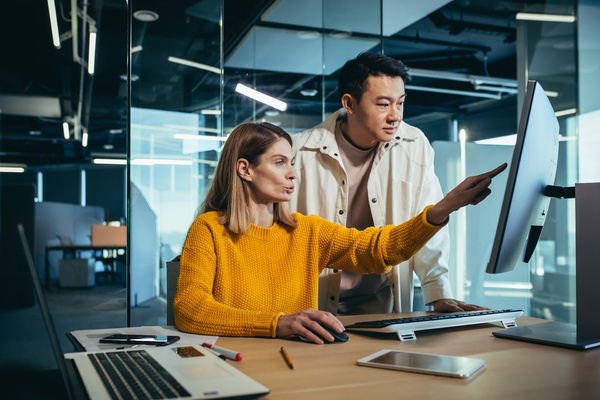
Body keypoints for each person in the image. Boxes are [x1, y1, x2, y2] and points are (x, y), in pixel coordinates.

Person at [173, 121, 506, 344]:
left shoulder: (306, 231)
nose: (292, 174)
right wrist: (277, 324)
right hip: (233, 363)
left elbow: (379, 249)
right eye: (279, 163)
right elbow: (190, 308)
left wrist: (441, 209)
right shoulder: (209, 230)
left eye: (292, 163)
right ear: (245, 169)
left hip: (297, 364)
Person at [290, 52, 479, 315]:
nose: (395, 116)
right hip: (312, 305)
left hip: (381, 305)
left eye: (400, 103)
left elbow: (425, 223)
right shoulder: (300, 151)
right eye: (383, 104)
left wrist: (437, 292)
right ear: (349, 103)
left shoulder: (415, 144)